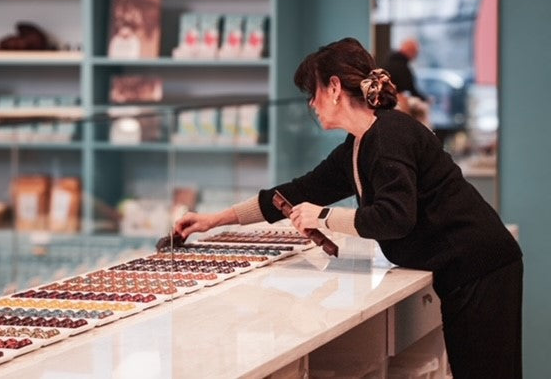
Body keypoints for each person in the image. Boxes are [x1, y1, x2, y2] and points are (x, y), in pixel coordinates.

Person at [174, 37, 523, 379]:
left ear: (335, 88)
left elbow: (394, 218)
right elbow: (297, 191)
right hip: (469, 268)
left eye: (314, 92)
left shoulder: (389, 137)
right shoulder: (358, 145)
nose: (312, 104)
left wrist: (323, 217)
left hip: (481, 267)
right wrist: (214, 220)